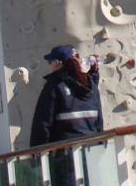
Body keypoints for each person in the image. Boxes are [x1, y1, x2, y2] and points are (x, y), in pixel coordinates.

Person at [30, 45, 104, 186]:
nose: (50, 65)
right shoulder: (90, 86)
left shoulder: (54, 86)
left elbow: (43, 124)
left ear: (57, 62)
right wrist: (99, 147)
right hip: (91, 153)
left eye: (49, 62)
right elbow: (99, 122)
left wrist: (36, 155)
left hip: (64, 158)